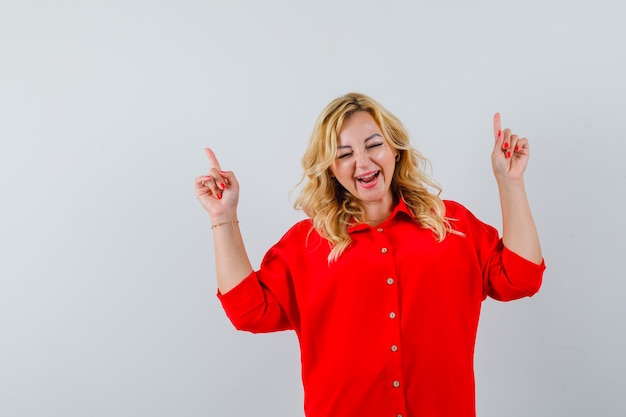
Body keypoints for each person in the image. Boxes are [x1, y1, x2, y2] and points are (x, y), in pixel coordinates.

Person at [194, 92, 545, 417]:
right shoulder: (307, 244)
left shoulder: (451, 225)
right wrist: (223, 217)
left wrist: (510, 182)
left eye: (373, 145)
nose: (362, 162)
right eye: (344, 154)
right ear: (330, 169)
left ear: (394, 149)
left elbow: (522, 278)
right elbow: (248, 312)